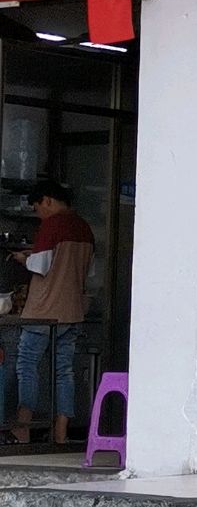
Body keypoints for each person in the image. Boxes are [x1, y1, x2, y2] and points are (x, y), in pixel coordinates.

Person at [6, 181, 94, 446]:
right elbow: (86, 272)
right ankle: (60, 432)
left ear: (47, 200)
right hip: (73, 312)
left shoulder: (51, 225)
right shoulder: (85, 228)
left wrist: (25, 258)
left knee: (27, 365)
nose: (38, 213)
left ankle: (23, 430)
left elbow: (41, 266)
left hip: (43, 311)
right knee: (64, 370)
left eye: (36, 207)